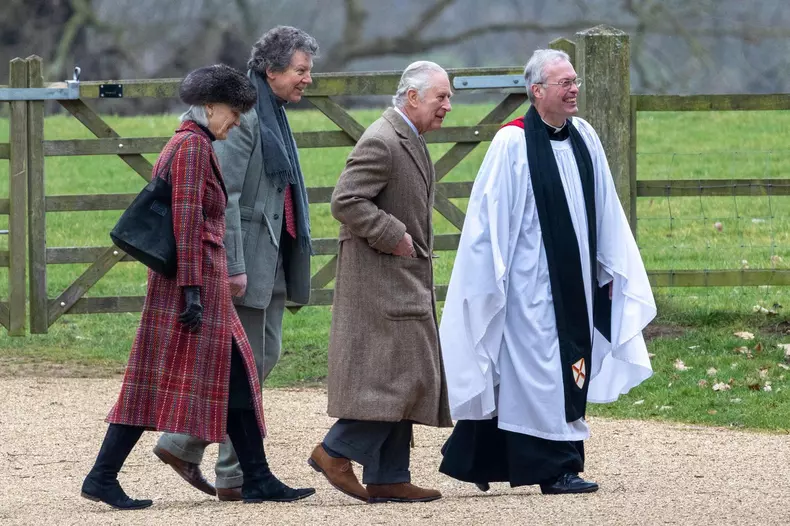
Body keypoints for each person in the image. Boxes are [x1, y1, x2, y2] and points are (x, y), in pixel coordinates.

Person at [80, 64, 315, 510]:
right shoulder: (191, 148)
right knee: (150, 383)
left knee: (237, 379)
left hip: (198, 284)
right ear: (209, 107)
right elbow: (186, 222)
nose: (237, 122)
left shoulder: (196, 143)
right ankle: (102, 475)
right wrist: (191, 291)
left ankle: (257, 477)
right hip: (192, 288)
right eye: (232, 112)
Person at [438, 49, 656, 495]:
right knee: (539, 372)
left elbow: (606, 206)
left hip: (574, 278)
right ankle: (555, 469)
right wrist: (491, 281)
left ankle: (479, 458)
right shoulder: (512, 143)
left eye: (575, 81)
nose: (574, 89)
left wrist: (609, 265)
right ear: (537, 91)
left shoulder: (585, 136)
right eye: (564, 83)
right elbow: (489, 222)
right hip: (529, 282)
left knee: (555, 369)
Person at [153, 26, 318, 502]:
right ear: (272, 71)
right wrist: (231, 267)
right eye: (301, 71)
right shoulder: (241, 115)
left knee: (261, 359)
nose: (307, 80)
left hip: (276, 253)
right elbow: (221, 197)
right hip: (246, 260)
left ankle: (189, 447)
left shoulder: (275, 114)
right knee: (246, 365)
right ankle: (231, 472)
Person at [307, 61, 454, 504]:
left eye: (448, 96)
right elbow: (346, 200)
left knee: (404, 374)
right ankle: (334, 451)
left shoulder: (410, 137)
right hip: (381, 284)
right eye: (441, 97)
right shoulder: (383, 140)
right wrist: (395, 236)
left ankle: (389, 475)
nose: (448, 105)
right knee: (399, 379)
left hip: (400, 280)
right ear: (412, 97)